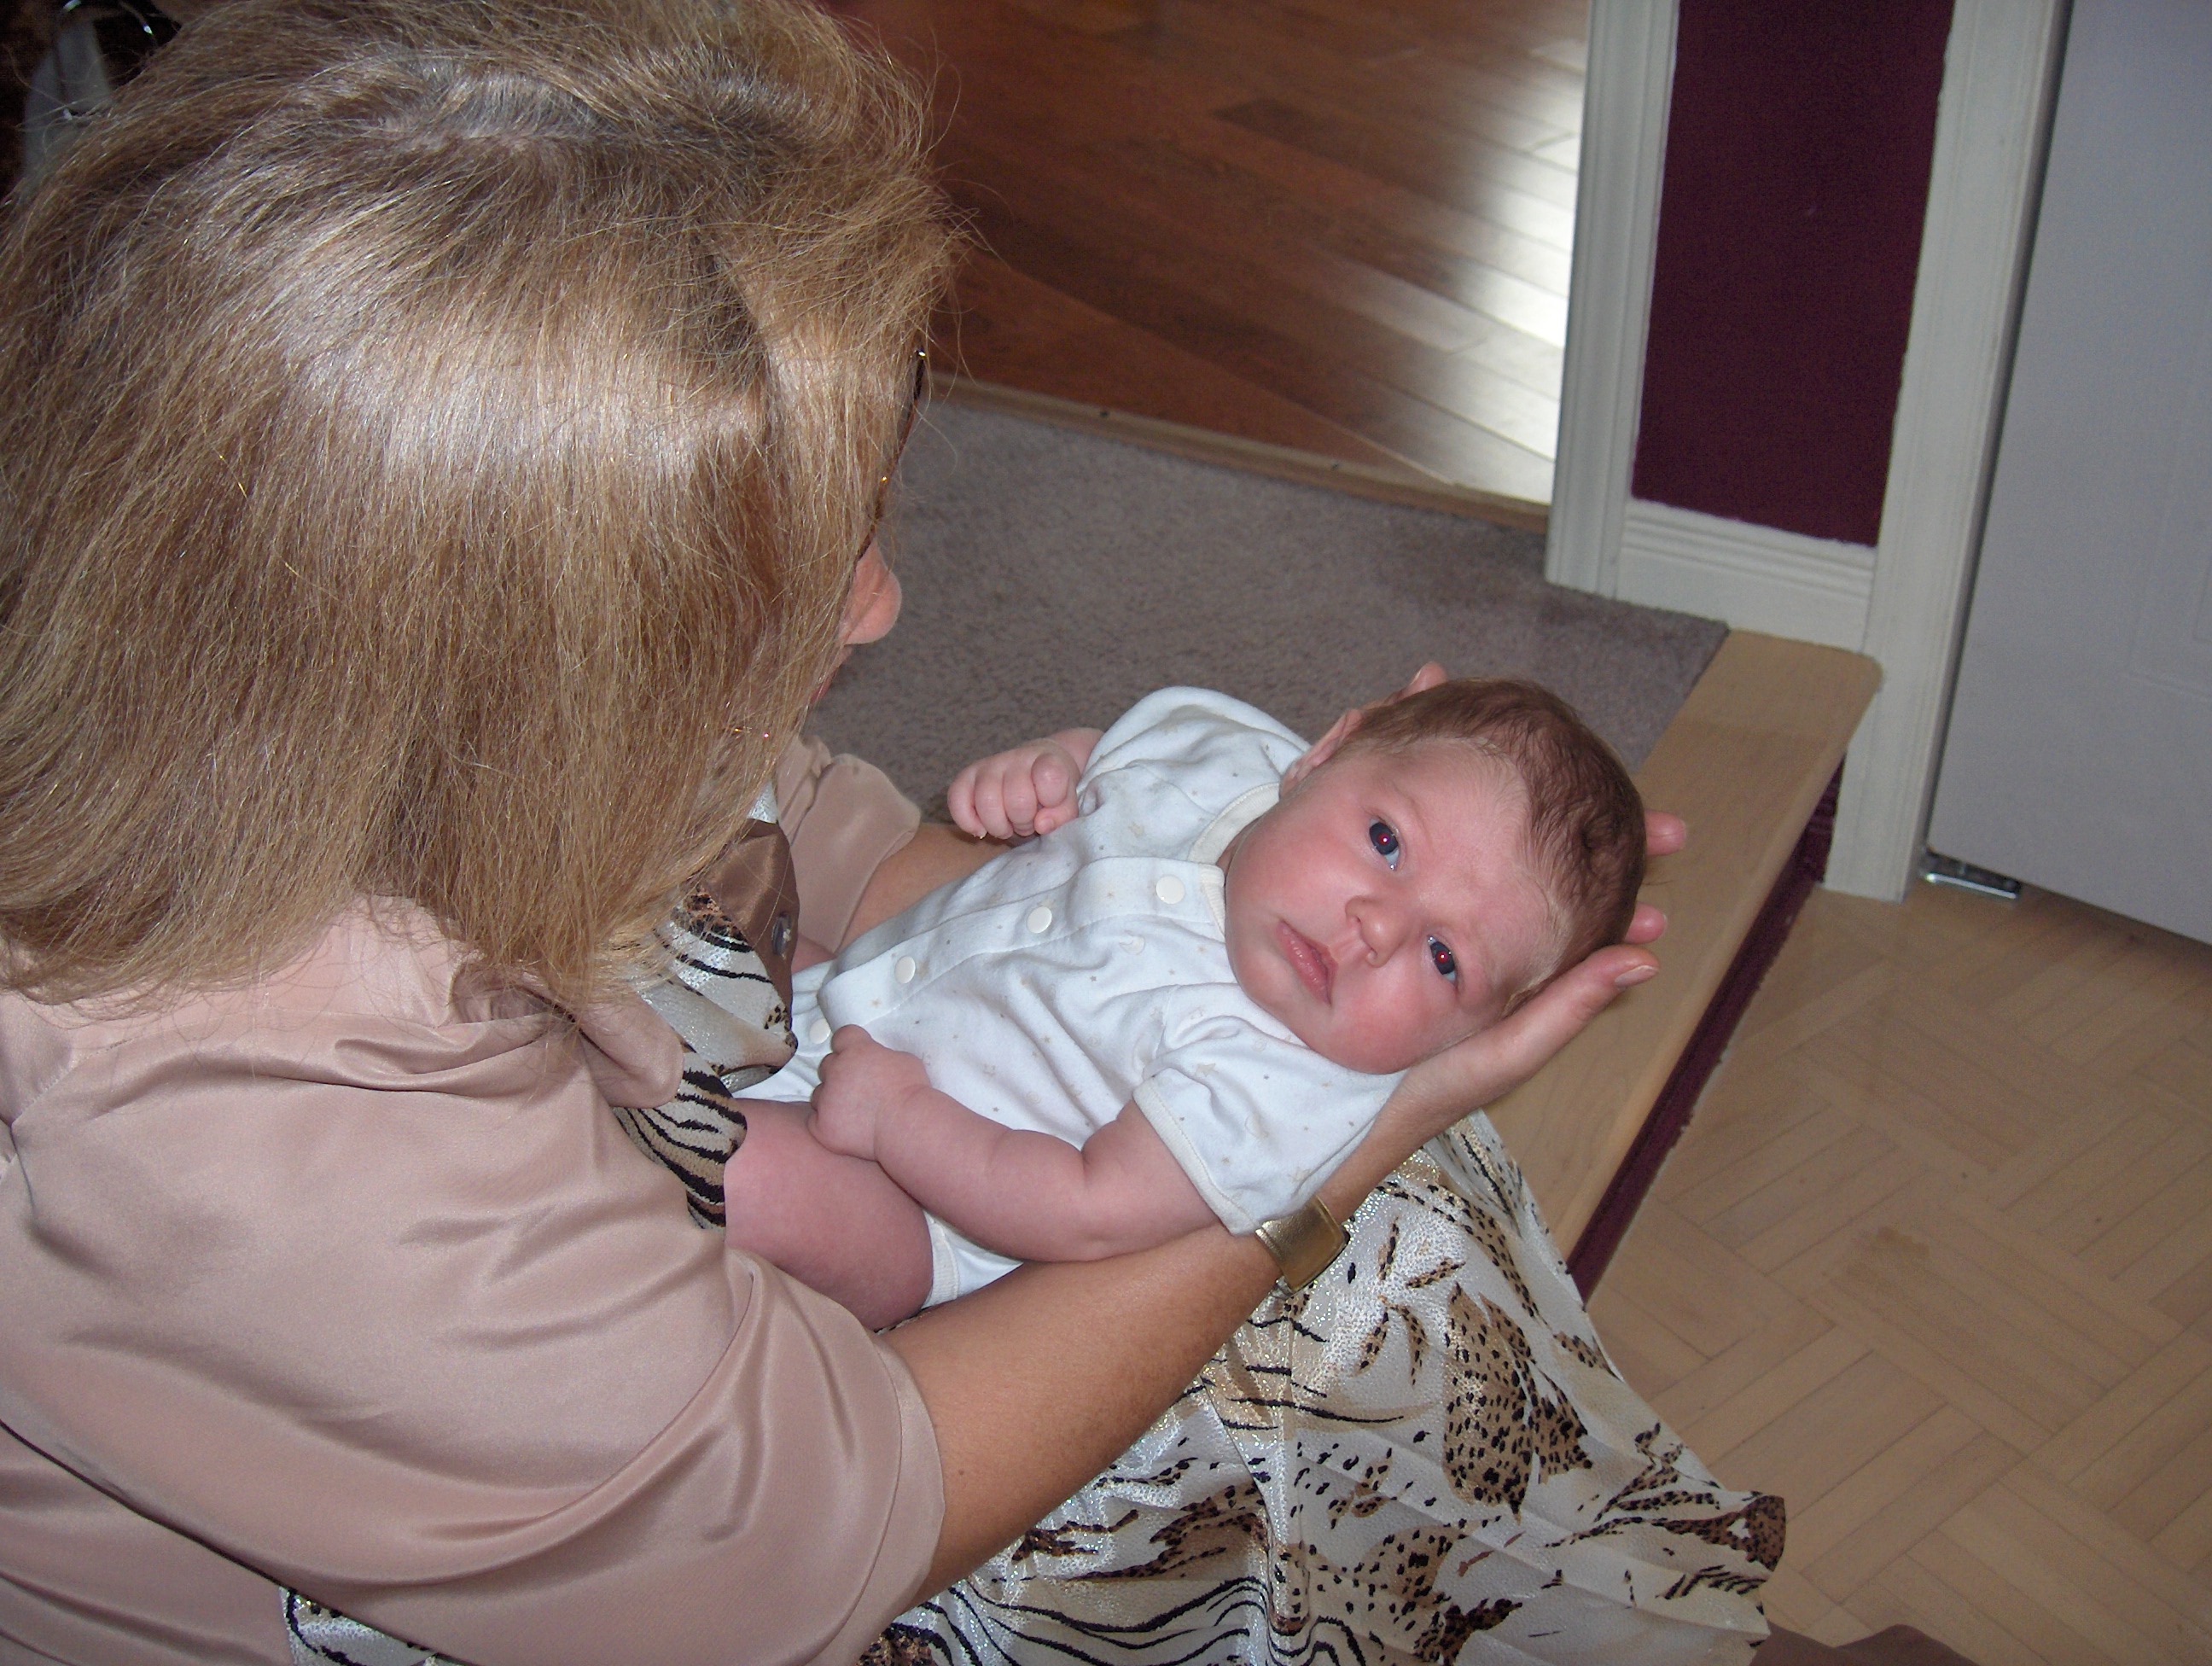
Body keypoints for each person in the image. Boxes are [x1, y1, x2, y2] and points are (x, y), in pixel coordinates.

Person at [0, 5, 1764, 1665]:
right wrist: (1341, 1153)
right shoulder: (257, 1123)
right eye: (812, 567)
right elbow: (812, 1546)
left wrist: (1193, 948)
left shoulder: (365, 677)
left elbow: (829, 835)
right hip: (611, 1565)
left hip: (745, 1265)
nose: (883, 604)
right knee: (1337, 1276)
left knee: (1380, 1177)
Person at [736, 677, 1645, 1325]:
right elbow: (1106, 758)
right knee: (712, 929)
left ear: (1470, 1034)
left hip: (920, 1201)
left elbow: (1089, 1208)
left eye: (1444, 958)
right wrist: (1043, 769)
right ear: (1322, 756)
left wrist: (899, 1120)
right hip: (853, 986)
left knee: (745, 1171)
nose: (1377, 925)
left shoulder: (1274, 1087)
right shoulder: (1228, 759)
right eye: (1386, 840)